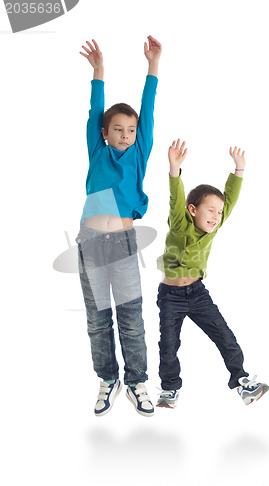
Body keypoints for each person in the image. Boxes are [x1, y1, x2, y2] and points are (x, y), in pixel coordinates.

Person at [76, 37, 162, 417]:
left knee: (130, 318)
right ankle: (107, 379)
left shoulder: (139, 153)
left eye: (130, 130)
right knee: (98, 321)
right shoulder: (98, 151)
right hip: (91, 241)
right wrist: (98, 73)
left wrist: (153, 67)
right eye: (118, 129)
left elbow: (149, 110)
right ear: (106, 132)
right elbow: (96, 109)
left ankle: (137, 382)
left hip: (124, 242)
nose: (125, 135)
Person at [156, 139, 269, 408]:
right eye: (211, 211)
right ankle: (169, 389)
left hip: (197, 293)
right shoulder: (180, 222)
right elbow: (176, 200)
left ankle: (241, 381)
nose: (217, 216)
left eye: (219, 213)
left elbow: (229, 200)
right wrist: (174, 169)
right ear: (193, 210)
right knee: (169, 344)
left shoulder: (214, 226)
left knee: (224, 335)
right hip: (170, 295)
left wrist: (238, 170)